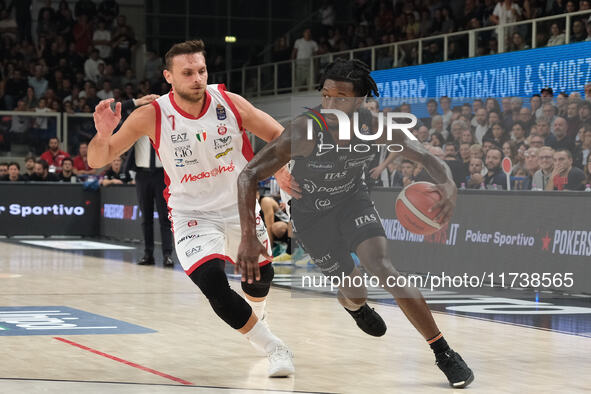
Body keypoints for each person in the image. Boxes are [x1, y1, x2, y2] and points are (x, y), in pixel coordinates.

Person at [235, 58, 474, 388]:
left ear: (361, 101)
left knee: (382, 266)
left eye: (341, 98)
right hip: (312, 217)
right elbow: (248, 175)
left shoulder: (375, 126)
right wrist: (249, 235)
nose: (331, 103)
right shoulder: (304, 130)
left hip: (352, 201)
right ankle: (355, 307)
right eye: (326, 94)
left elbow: (425, 156)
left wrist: (447, 182)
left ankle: (444, 352)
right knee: (355, 291)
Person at [87, 40, 295, 377]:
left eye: (201, 70)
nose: (197, 78)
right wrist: (102, 134)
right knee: (212, 280)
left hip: (239, 208)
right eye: (187, 73)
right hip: (191, 213)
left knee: (260, 279)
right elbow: (96, 159)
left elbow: (279, 135)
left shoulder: (229, 102)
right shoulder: (152, 115)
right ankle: (275, 347)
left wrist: (284, 168)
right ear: (169, 77)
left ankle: (259, 313)